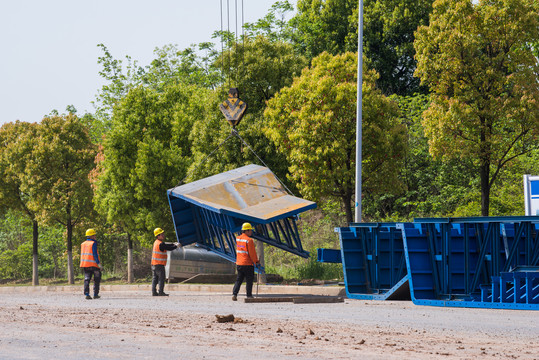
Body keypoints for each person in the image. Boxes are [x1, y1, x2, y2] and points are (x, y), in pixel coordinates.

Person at [232, 222, 260, 301]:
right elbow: (252, 253)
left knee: (239, 280)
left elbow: (239, 251)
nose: (251, 232)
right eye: (250, 230)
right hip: (247, 264)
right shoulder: (249, 240)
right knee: (249, 280)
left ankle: (234, 294)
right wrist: (256, 261)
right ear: (246, 231)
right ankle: (249, 295)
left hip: (239, 263)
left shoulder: (238, 239)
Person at [151, 228, 180, 296]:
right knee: (161, 278)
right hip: (159, 264)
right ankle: (161, 292)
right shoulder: (160, 244)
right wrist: (176, 246)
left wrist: (174, 244)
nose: (163, 235)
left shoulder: (156, 242)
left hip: (154, 264)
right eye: (162, 234)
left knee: (155, 279)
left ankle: (154, 292)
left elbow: (166, 245)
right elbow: (168, 248)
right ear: (158, 235)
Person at [80, 229, 101, 300]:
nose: (95, 236)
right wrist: (99, 264)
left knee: (87, 279)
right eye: (94, 235)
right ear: (91, 236)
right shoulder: (93, 243)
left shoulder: (83, 244)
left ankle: (87, 294)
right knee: (97, 279)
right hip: (94, 265)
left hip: (86, 265)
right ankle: (95, 294)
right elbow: (95, 254)